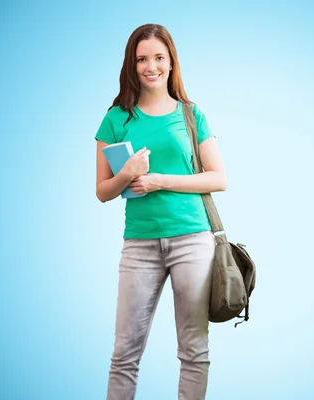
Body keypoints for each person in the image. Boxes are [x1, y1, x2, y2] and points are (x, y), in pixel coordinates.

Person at [94, 23, 227, 400]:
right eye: (141, 59)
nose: (149, 66)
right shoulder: (116, 119)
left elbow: (219, 178)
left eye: (158, 58)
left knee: (193, 351)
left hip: (192, 239)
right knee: (124, 353)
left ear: (171, 63)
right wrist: (128, 174)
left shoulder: (191, 114)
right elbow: (103, 191)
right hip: (139, 244)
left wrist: (158, 180)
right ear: (131, 65)